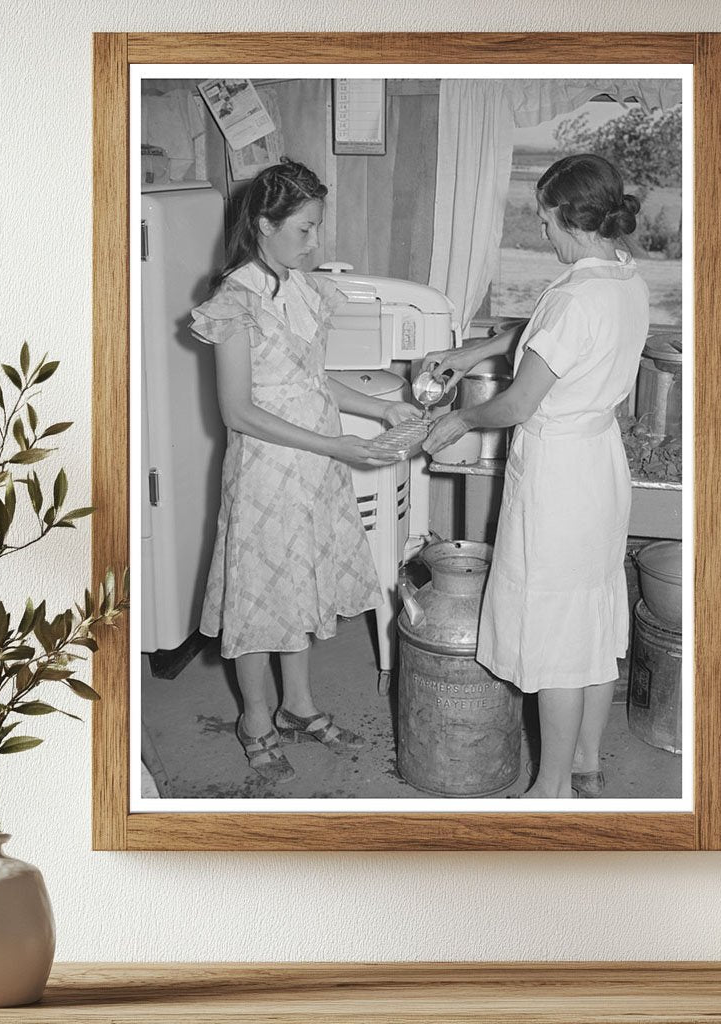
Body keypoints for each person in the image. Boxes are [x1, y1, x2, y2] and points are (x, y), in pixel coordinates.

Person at [422, 153, 650, 799]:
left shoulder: (575, 298)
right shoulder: (622, 275)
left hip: (558, 475)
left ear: (569, 222)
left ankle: (549, 789)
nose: (543, 233)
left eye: (546, 222)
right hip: (600, 462)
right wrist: (475, 349)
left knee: (555, 632)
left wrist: (461, 422)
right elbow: (548, 333)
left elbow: (519, 403)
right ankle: (586, 762)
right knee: (593, 617)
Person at [190, 159, 419, 784]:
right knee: (261, 597)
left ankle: (298, 705)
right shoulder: (233, 302)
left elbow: (311, 379)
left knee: (301, 586)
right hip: (268, 470)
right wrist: (335, 445)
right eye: (304, 229)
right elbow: (239, 412)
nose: (315, 243)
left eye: (318, 227)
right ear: (264, 225)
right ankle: (256, 720)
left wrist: (381, 405)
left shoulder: (300, 287)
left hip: (315, 465)